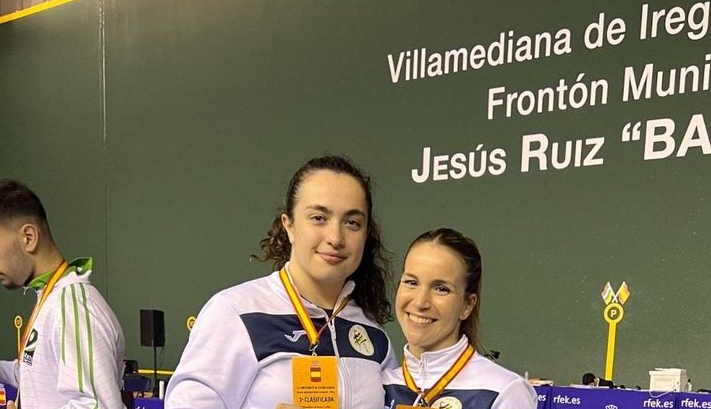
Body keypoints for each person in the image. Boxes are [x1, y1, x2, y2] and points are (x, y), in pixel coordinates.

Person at [166, 155, 396, 408]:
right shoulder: (236, 313)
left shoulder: (372, 331)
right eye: (319, 218)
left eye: (352, 222)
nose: (335, 237)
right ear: (290, 226)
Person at [0, 179, 126, 408]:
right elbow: (35, 375)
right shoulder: (51, 298)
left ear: (28, 237)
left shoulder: (71, 307)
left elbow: (96, 405)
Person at [383, 228, 537, 408]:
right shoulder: (378, 385)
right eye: (411, 282)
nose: (420, 302)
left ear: (467, 305)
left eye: (441, 288)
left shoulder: (504, 391)